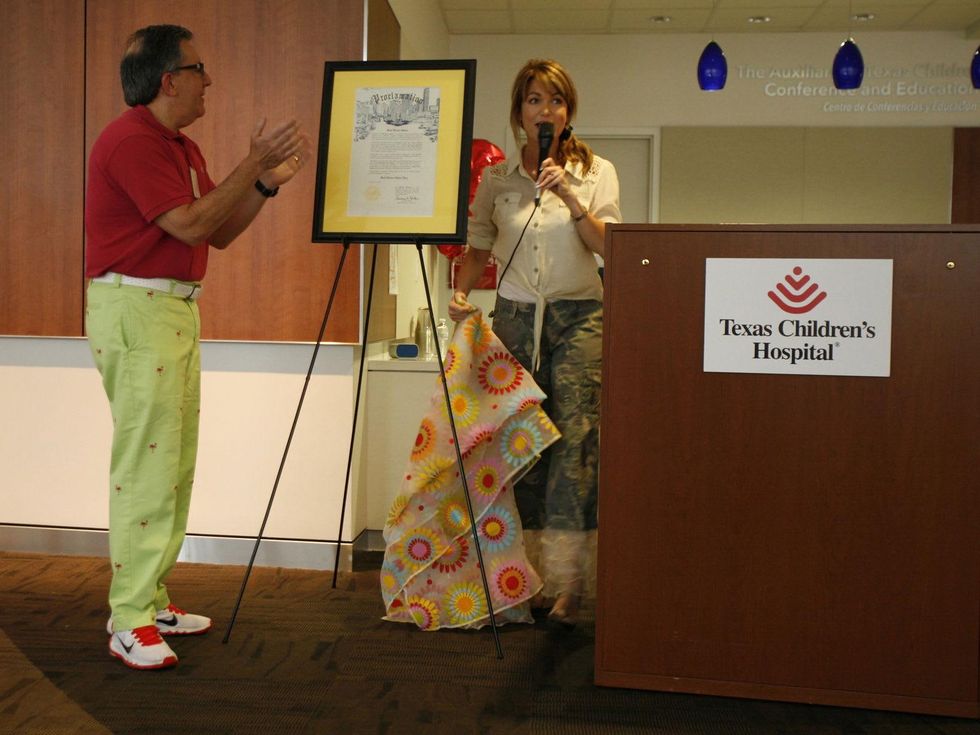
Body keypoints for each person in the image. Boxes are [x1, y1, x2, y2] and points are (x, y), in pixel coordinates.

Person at [85, 24, 309, 670]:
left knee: (173, 463)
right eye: (198, 68)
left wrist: (264, 183)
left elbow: (218, 231)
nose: (208, 80)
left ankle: (150, 599)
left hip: (171, 309)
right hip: (138, 308)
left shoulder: (178, 145)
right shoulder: (131, 140)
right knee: (147, 466)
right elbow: (188, 222)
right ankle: (129, 616)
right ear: (169, 79)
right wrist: (250, 165)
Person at [448, 59, 621, 627]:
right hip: (516, 319)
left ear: (568, 112)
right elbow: (477, 247)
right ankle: (522, 578)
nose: (545, 111)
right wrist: (461, 294)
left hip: (581, 319)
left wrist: (571, 196)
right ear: (519, 111)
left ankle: (571, 584)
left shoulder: (597, 172)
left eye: (556, 101)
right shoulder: (497, 180)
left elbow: (609, 247)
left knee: (575, 446)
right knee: (520, 447)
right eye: (534, 100)